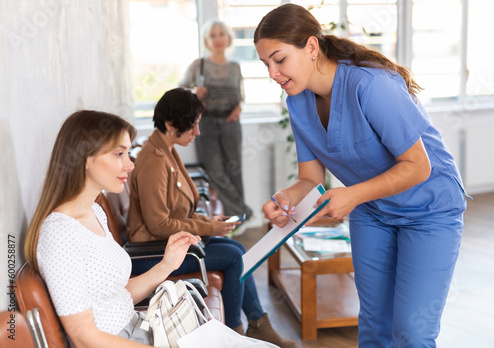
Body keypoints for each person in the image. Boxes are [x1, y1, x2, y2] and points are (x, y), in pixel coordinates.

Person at [255, 4, 469, 348]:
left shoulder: (371, 85)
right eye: (265, 64)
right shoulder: (296, 101)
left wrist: (353, 195)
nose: (272, 73)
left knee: (412, 333)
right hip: (373, 211)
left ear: (311, 47)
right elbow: (310, 177)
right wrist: (286, 198)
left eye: (279, 60)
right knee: (373, 325)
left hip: (429, 211)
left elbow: (418, 165)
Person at [126, 88, 296, 348]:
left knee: (237, 248)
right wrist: (210, 226)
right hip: (152, 252)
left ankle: (258, 325)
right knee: (234, 257)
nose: (198, 132)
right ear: (171, 124)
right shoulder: (154, 161)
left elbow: (176, 210)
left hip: (170, 242)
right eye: (193, 126)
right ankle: (233, 333)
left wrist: (212, 222)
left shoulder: (167, 150)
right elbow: (158, 224)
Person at [24, 110, 201, 347]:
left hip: (137, 329)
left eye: (128, 153)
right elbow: (83, 337)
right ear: (85, 158)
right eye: (119, 154)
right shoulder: (59, 233)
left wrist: (167, 265)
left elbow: (116, 295)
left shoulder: (94, 212)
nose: (129, 165)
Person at [179, 18, 253, 231]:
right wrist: (194, 93)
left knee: (234, 169)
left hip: (231, 123)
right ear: (206, 40)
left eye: (221, 34)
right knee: (214, 170)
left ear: (228, 38)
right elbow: (180, 89)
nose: (218, 39)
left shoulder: (235, 67)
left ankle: (236, 220)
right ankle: (241, 212)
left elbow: (240, 96)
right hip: (206, 123)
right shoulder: (199, 65)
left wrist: (238, 109)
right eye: (213, 35)